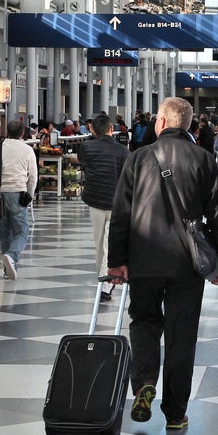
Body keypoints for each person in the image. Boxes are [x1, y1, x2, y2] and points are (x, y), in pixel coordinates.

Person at [106, 97, 218, 433]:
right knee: (182, 334)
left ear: (161, 121)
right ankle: (175, 412)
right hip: (187, 261)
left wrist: (117, 261)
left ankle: (144, 382)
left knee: (144, 322)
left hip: (144, 256)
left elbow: (121, 213)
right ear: (188, 124)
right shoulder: (204, 160)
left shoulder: (139, 158)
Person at [0, 119, 38, 282]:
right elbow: (33, 176)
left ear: (7, 132)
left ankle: (7, 269)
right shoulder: (27, 150)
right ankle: (11, 256)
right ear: (22, 133)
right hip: (18, 193)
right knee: (22, 231)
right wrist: (30, 194)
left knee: (4, 233)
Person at [81, 113, 130, 301]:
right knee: (111, 242)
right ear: (112, 129)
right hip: (117, 203)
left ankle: (104, 281)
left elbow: (84, 166)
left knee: (99, 243)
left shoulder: (86, 147)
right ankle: (106, 284)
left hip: (95, 201)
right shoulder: (123, 151)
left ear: (93, 130)